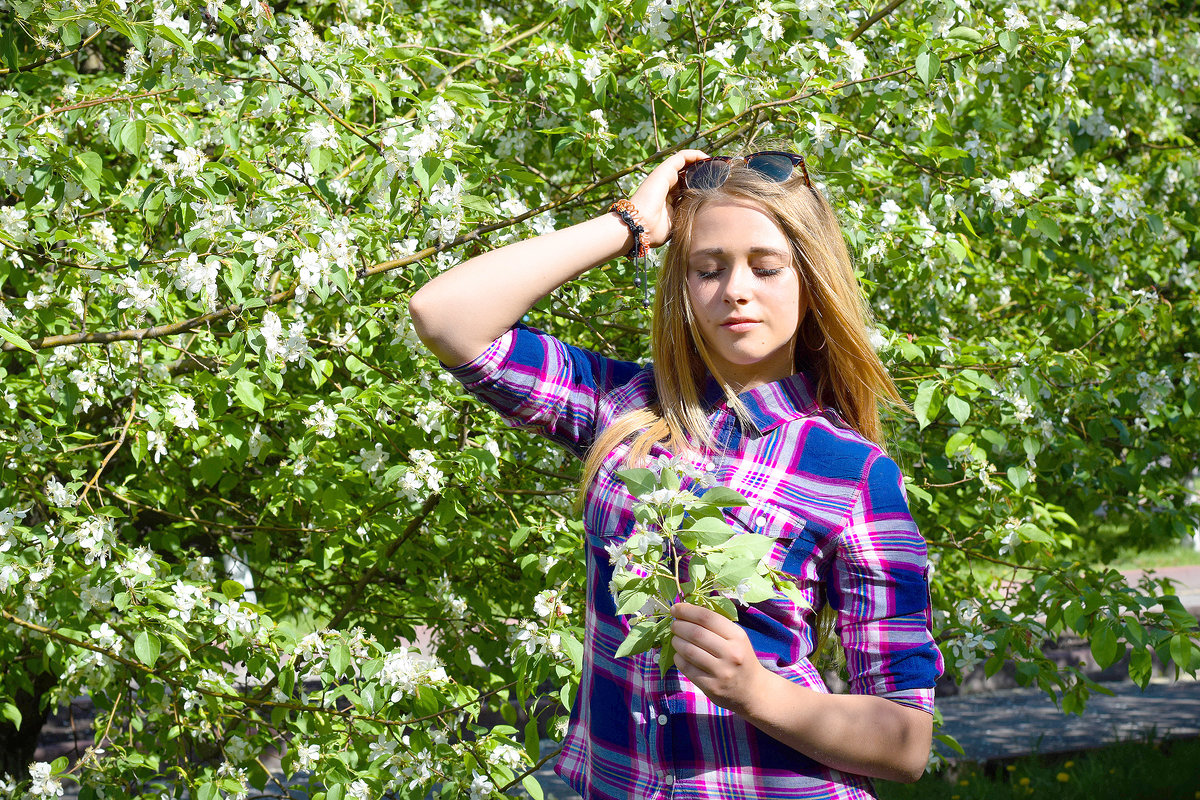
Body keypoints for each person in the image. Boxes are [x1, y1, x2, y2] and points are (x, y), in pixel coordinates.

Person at [409, 148, 943, 799]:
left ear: (811, 278)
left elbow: (906, 741)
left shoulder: (852, 473)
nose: (735, 290)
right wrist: (629, 224)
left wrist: (755, 692)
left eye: (766, 267)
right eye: (707, 269)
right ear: (683, 286)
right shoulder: (626, 407)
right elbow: (445, 317)